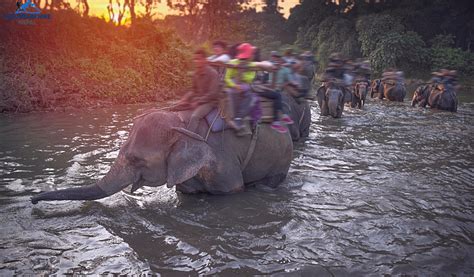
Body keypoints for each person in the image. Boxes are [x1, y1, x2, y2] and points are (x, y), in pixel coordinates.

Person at [175, 49, 220, 133]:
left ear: (205, 60)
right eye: (195, 59)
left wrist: (198, 102)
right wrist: (185, 98)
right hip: (198, 99)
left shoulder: (213, 73)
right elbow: (194, 90)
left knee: (195, 116)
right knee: (177, 108)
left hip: (210, 102)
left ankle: (189, 137)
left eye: (199, 59)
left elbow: (213, 93)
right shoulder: (196, 73)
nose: (196, 61)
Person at [224, 43, 258, 133]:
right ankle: (232, 116)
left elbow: (250, 79)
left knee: (250, 96)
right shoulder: (232, 63)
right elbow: (227, 78)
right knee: (231, 92)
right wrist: (235, 85)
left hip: (245, 85)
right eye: (242, 58)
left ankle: (239, 117)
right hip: (233, 84)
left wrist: (242, 73)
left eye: (246, 58)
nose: (243, 60)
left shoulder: (252, 65)